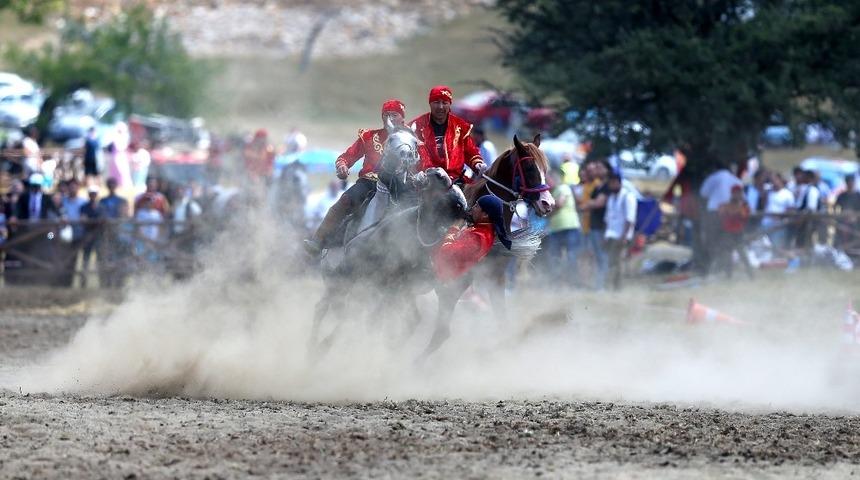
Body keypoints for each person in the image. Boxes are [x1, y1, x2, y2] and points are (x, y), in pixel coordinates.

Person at [304, 99, 408, 254]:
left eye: (394, 115)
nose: (390, 119)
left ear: (402, 117)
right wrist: (342, 166)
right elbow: (347, 157)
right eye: (386, 115)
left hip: (399, 185)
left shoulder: (411, 139)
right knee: (345, 200)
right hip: (369, 182)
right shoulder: (369, 137)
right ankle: (318, 240)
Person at [409, 85, 487, 183]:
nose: (440, 107)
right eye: (436, 102)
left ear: (449, 104)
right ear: (430, 103)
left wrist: (477, 164)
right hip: (425, 182)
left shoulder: (460, 127)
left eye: (444, 103)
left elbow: (470, 152)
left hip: (456, 181)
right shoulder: (416, 126)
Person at [432, 195, 511, 282]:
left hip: (444, 280)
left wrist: (454, 228)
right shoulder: (484, 229)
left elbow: (447, 252)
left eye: (476, 206)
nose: (473, 208)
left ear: (485, 215)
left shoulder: (478, 238)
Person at [699, 164, 742, 274]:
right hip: (730, 214)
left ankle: (708, 270)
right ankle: (726, 270)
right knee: (727, 243)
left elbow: (703, 193)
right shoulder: (736, 180)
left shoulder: (713, 177)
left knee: (711, 242)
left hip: (714, 212)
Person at [542, 169, 581, 287]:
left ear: (553, 178)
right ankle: (558, 283)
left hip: (569, 227)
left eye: (547, 179)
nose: (545, 182)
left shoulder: (563, 188)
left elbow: (559, 204)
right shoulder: (553, 193)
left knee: (570, 256)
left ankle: (572, 282)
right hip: (556, 229)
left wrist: (549, 210)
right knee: (556, 257)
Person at [579, 159, 611, 290]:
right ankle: (598, 285)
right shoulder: (598, 187)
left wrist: (587, 205)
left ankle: (602, 286)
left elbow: (599, 203)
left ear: (606, 170)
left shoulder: (607, 186)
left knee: (602, 257)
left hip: (602, 227)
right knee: (597, 257)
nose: (596, 170)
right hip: (593, 226)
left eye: (599, 167)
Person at [603, 171, 637, 290]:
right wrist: (606, 235)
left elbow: (630, 219)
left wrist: (623, 237)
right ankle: (613, 286)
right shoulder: (611, 198)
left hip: (622, 236)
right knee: (612, 262)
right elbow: (608, 218)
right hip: (611, 234)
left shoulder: (628, 197)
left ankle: (619, 287)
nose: (611, 186)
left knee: (619, 262)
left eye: (613, 183)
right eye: (610, 183)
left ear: (619, 183)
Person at [717, 185, 754, 279]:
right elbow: (721, 214)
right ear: (732, 194)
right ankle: (728, 276)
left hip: (738, 233)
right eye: (736, 193)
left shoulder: (743, 205)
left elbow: (745, 216)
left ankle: (751, 275)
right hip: (728, 233)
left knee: (743, 254)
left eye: (739, 193)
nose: (738, 194)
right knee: (727, 256)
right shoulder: (726, 205)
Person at [762, 172, 795, 250]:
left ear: (780, 179)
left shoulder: (787, 194)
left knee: (777, 248)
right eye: (771, 180)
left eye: (775, 179)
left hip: (779, 226)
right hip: (765, 225)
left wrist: (780, 217)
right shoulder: (769, 193)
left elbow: (791, 211)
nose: (773, 182)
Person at [79, 186, 104, 288]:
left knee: (100, 260)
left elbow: (102, 221)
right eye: (91, 193)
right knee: (85, 259)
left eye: (94, 194)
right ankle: (83, 282)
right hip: (88, 236)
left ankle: (102, 282)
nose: (93, 195)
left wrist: (90, 222)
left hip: (98, 237)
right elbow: (83, 220)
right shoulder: (84, 207)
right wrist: (95, 222)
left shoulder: (101, 207)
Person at [835, 174, 860, 249]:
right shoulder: (842, 195)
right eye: (849, 182)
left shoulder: (858, 196)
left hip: (856, 223)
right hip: (843, 222)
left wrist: (855, 217)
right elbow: (836, 207)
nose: (850, 184)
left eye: (852, 182)